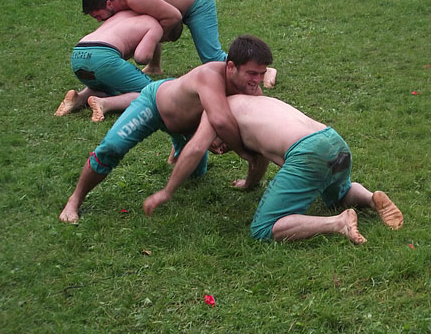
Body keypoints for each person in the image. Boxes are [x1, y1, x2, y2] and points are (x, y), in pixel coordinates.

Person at [59, 35, 273, 223]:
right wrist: (242, 152)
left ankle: (178, 146)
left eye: (261, 74)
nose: (257, 80)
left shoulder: (252, 91)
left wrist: (249, 181)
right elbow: (220, 122)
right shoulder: (210, 75)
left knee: (195, 175)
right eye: (252, 73)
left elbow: (257, 137)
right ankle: (74, 200)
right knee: (111, 148)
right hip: (156, 106)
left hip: (189, 125)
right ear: (231, 67)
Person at [143, 95, 404, 245]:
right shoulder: (254, 102)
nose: (218, 149)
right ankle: (370, 199)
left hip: (308, 151)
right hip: (334, 141)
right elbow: (259, 159)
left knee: (264, 229)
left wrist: (167, 191)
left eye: (215, 144)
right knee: (339, 193)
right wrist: (249, 183)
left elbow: (195, 149)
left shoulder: (215, 114)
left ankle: (338, 223)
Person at [81, 0, 277, 87]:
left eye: (98, 15)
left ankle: (264, 70)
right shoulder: (120, 0)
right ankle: (154, 66)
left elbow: (173, 16)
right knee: (151, 23)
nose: (99, 20)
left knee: (212, 58)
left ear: (109, 3)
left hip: (197, 3)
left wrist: (157, 36)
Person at [54, 10, 182, 122]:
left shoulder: (125, 14)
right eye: (163, 40)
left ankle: (79, 98)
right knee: (152, 94)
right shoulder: (155, 27)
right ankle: (104, 103)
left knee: (110, 85)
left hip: (78, 54)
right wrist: (150, 44)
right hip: (103, 55)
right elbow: (141, 58)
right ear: (166, 29)